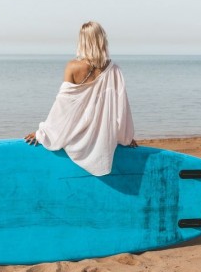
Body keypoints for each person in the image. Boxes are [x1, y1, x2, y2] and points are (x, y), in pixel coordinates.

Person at [24, 21, 137, 176]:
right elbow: (121, 108)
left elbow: (63, 108)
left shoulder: (73, 67)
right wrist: (126, 137)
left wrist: (42, 133)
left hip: (76, 138)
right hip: (102, 142)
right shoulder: (114, 70)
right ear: (102, 40)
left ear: (82, 41)